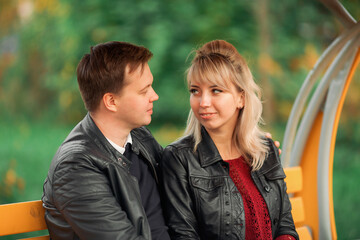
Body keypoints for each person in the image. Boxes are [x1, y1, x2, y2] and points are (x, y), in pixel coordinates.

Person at [160, 40, 299, 240]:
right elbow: (184, 235)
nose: (203, 102)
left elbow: (285, 223)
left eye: (216, 90)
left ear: (241, 98)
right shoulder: (179, 159)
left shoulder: (265, 149)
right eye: (195, 91)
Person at [42, 41, 171, 240]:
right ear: (111, 101)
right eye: (144, 91)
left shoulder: (140, 138)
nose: (154, 96)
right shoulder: (75, 168)